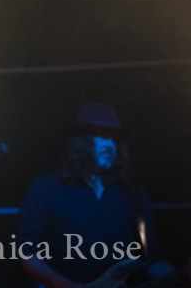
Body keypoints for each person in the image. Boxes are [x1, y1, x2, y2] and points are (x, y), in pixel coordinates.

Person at [18, 102, 175, 288]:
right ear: (80, 142)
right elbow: (27, 252)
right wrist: (64, 284)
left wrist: (180, 275)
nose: (109, 145)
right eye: (101, 137)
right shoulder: (45, 189)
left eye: (114, 139)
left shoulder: (133, 194)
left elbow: (150, 257)